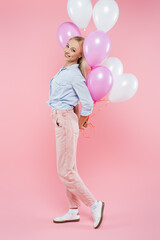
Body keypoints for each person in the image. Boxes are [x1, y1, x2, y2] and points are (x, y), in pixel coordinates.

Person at [46, 36, 104, 229]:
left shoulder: (74, 74)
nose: (68, 51)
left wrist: (79, 122)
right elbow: (73, 99)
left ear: (80, 55)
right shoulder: (66, 69)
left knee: (65, 171)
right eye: (68, 47)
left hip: (65, 122)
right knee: (67, 168)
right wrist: (75, 118)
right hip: (60, 120)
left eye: (73, 50)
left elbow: (86, 102)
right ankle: (73, 210)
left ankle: (95, 205)